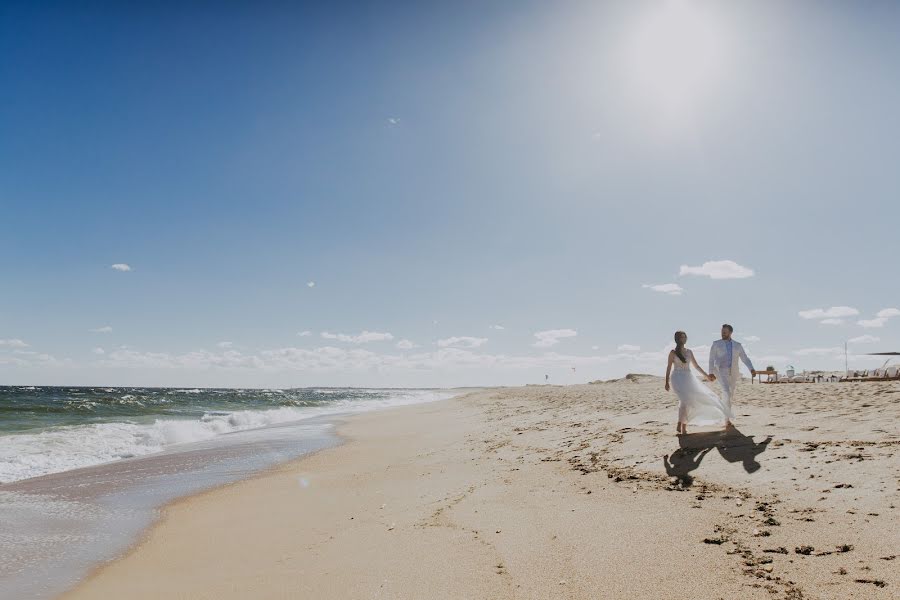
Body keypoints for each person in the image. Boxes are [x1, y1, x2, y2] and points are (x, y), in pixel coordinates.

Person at [665, 331, 732, 434]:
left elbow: (696, 366)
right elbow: (669, 367)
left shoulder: (689, 352)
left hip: (688, 377)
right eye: (682, 337)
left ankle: (683, 425)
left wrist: (707, 376)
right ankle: (680, 424)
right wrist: (666, 381)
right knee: (685, 399)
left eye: (685, 337)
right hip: (677, 377)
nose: (684, 339)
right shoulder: (673, 352)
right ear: (677, 339)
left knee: (689, 400)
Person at [708, 324, 756, 428]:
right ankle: (725, 417)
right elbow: (711, 358)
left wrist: (751, 368)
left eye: (724, 332)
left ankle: (726, 418)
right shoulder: (716, 344)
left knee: (730, 396)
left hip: (733, 372)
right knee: (726, 392)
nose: (722, 333)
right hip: (721, 371)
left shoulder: (737, 345)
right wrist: (710, 372)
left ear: (730, 332)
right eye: (722, 331)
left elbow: (745, 358)